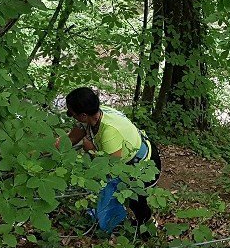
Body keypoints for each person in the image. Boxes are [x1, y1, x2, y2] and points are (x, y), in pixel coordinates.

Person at [63, 87, 160, 229]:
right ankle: (118, 220)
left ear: (83, 115)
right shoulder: (93, 115)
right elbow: (70, 139)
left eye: (72, 114)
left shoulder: (109, 133)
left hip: (145, 165)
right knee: (119, 193)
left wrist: (90, 149)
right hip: (127, 161)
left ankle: (147, 227)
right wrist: (44, 150)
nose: (71, 116)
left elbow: (109, 168)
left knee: (135, 199)